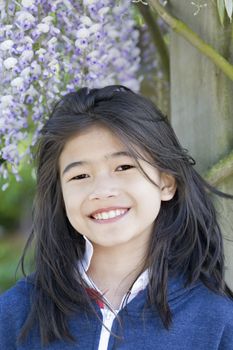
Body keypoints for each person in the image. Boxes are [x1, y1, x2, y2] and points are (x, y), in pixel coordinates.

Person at [0, 85, 233, 350]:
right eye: (79, 176)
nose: (102, 191)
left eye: (123, 167)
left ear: (166, 183)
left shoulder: (215, 320)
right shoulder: (16, 313)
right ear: (61, 194)